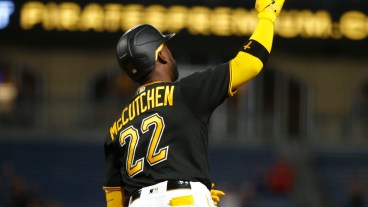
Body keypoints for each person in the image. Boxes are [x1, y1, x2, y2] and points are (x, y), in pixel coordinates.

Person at [102, 0, 286, 206]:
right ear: (161, 54)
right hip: (183, 199)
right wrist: (268, 15)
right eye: (167, 48)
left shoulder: (116, 128)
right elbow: (250, 63)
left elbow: (114, 199)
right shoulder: (184, 93)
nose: (170, 54)